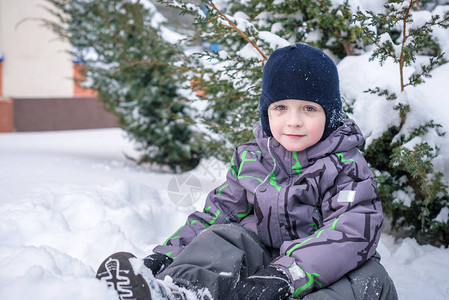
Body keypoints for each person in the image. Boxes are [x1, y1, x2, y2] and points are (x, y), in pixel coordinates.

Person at [96, 43, 398, 300]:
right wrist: (167, 255)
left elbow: (352, 231)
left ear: (330, 115)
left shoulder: (346, 166)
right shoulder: (251, 158)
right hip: (263, 272)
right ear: (266, 113)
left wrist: (286, 274)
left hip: (323, 270)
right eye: (281, 108)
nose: (293, 121)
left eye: (309, 109)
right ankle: (181, 291)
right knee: (226, 237)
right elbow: (217, 214)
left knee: (368, 280)